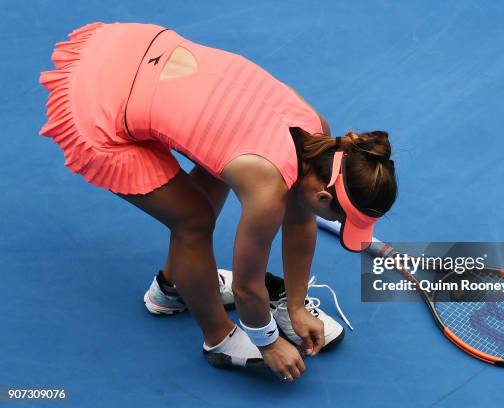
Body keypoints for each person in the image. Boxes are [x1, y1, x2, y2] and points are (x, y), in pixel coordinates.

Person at [39, 22, 397, 382]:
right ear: (323, 196)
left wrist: (298, 305)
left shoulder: (318, 132)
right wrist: (268, 341)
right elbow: (246, 287)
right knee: (192, 221)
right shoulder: (267, 189)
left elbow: (301, 220)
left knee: (222, 159)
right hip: (96, 105)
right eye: (345, 218)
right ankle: (217, 339)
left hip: (135, 49)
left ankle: (174, 286)